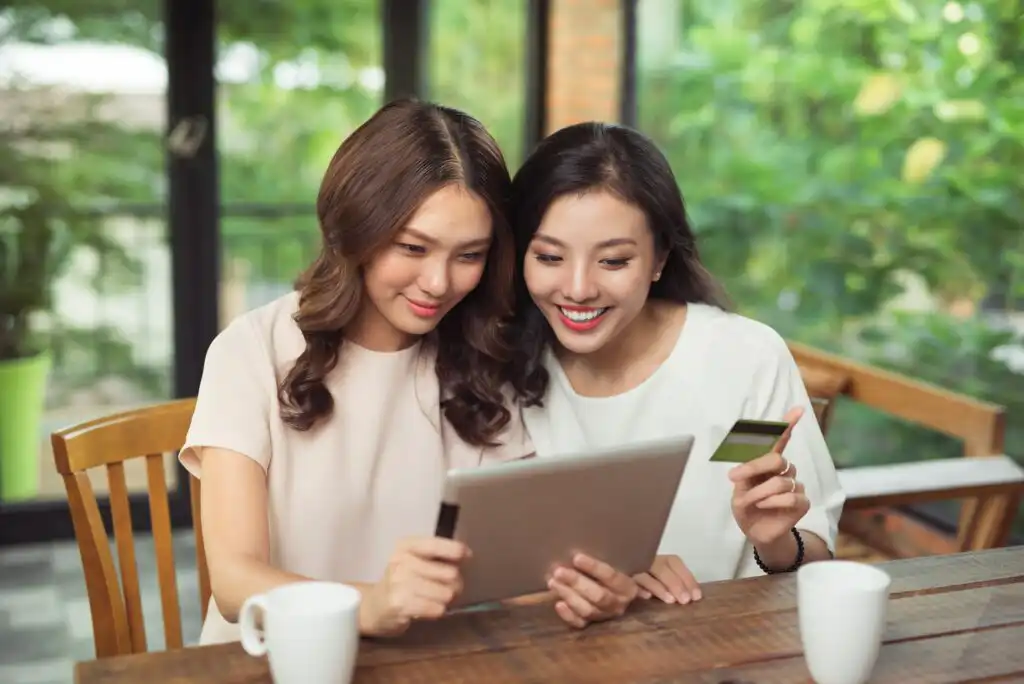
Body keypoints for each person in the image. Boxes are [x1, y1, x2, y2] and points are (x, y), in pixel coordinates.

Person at [178, 99, 540, 644]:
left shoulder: (484, 358)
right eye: (412, 247)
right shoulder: (251, 349)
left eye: (469, 255)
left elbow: (518, 567)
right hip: (275, 662)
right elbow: (233, 583)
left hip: (428, 662)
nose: (439, 282)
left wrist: (588, 583)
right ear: (356, 230)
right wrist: (367, 604)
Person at [509, 122, 846, 622]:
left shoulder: (739, 362)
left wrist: (775, 541)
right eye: (550, 257)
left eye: (614, 260)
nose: (578, 289)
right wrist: (595, 580)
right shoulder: (501, 369)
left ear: (660, 258)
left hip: (724, 647)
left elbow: (807, 554)